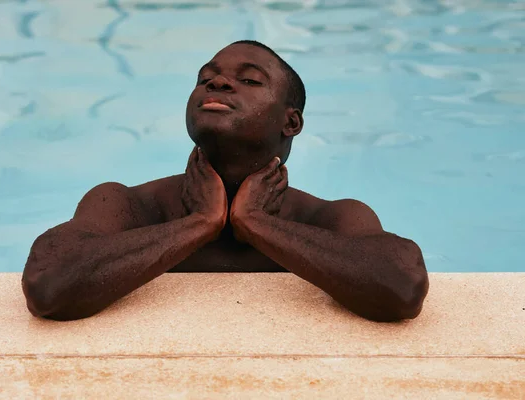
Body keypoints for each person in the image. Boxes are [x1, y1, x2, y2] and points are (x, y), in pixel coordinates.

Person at [21, 40, 429, 323]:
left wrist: (258, 224)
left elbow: (402, 289)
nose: (217, 83)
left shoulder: (329, 216)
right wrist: (199, 224)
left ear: (291, 121)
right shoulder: (126, 203)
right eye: (205, 78)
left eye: (250, 80)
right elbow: (47, 286)